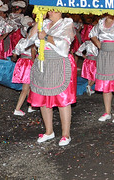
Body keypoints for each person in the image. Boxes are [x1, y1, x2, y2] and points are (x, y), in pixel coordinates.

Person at [27, 11, 76, 146]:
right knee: (43, 96)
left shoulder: (67, 23)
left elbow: (65, 43)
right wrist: (39, 22)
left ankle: (66, 134)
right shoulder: (45, 23)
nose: (50, 12)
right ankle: (49, 131)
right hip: (43, 61)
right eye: (48, 9)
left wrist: (46, 37)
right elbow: (30, 38)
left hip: (58, 61)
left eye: (53, 9)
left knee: (62, 99)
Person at [12, 16, 36, 116]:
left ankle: (30, 106)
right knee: (26, 88)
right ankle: (17, 108)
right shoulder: (33, 44)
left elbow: (14, 55)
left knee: (28, 86)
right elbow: (33, 57)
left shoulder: (21, 41)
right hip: (29, 64)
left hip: (21, 63)